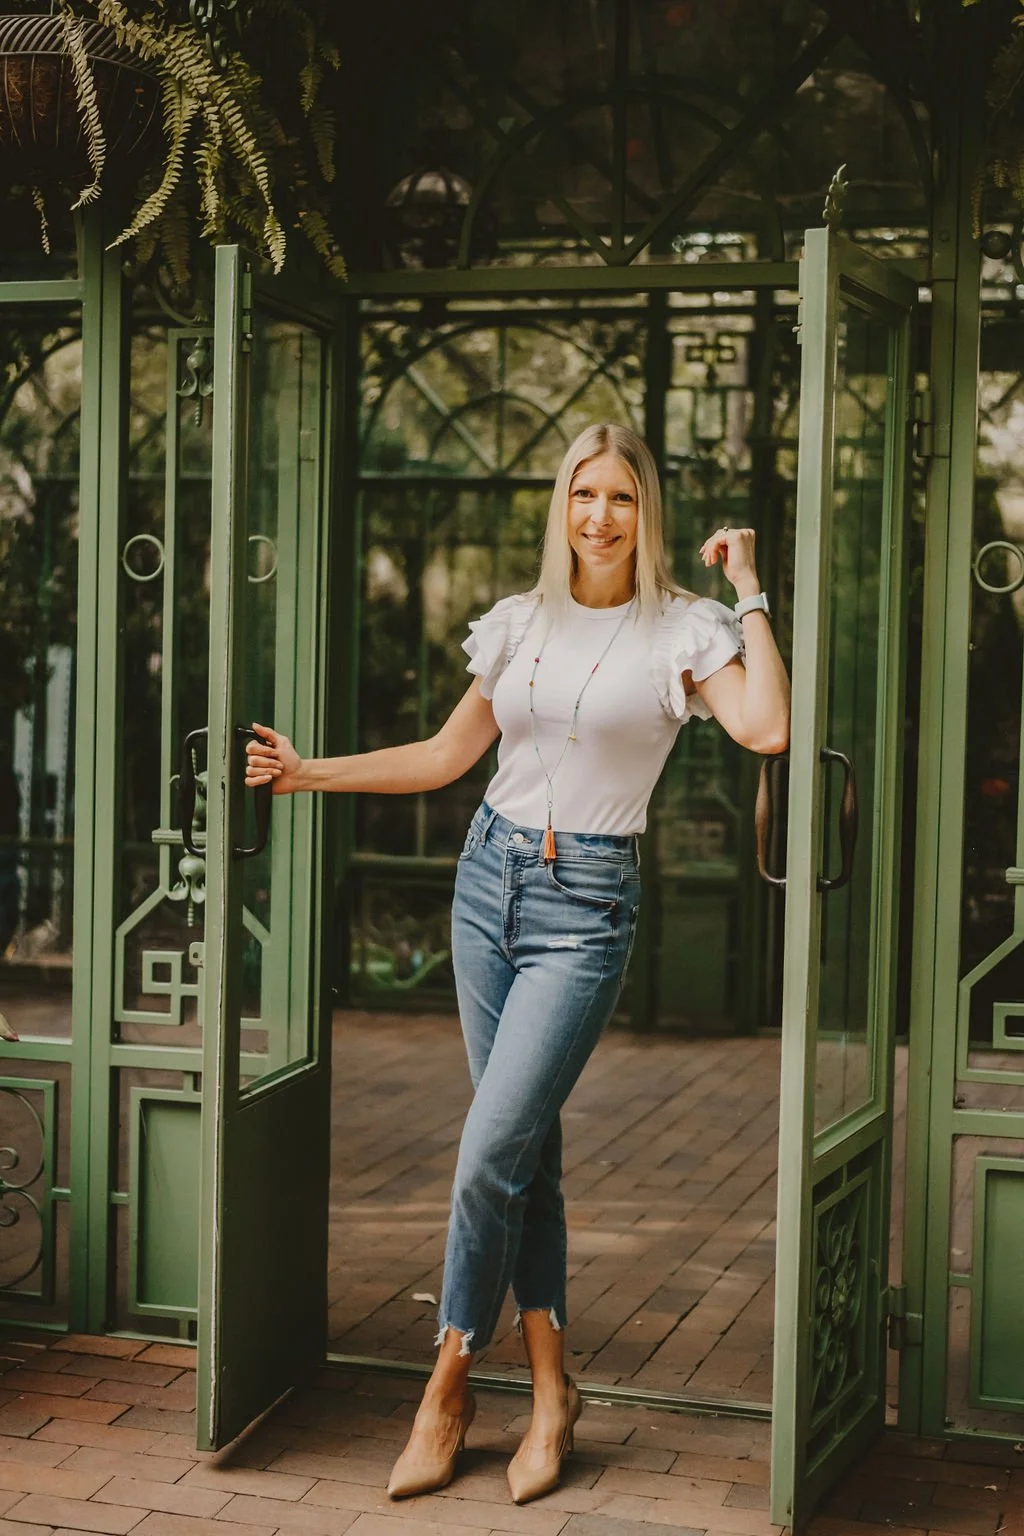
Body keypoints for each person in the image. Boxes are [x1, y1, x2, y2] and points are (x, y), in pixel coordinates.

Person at [244, 422, 791, 1506]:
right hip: (484, 884)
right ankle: (549, 1389)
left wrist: (755, 591)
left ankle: (445, 1381)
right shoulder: (520, 623)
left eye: (621, 498)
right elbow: (449, 757)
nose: (599, 517)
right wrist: (309, 776)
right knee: (524, 1152)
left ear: (648, 513)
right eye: (583, 495)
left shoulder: (689, 629)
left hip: (586, 905)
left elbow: (767, 729)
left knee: (488, 1147)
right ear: (562, 506)